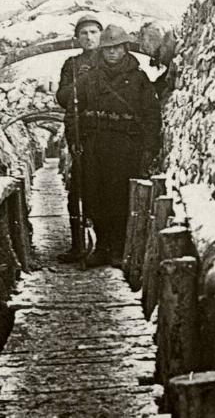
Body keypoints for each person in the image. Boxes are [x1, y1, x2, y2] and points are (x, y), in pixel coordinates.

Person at [76, 25, 162, 268]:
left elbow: (152, 115)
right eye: (107, 49)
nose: (112, 53)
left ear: (125, 49)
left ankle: (118, 248)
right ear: (102, 51)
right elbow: (71, 104)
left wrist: (149, 148)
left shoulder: (138, 78)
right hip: (97, 145)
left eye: (117, 48)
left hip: (126, 147)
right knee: (96, 196)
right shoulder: (91, 77)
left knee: (121, 198)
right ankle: (102, 246)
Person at [54, 14, 103, 263]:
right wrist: (80, 82)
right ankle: (77, 244)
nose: (89, 37)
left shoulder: (110, 60)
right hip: (80, 132)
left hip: (105, 133)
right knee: (77, 191)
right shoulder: (71, 64)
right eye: (84, 33)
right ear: (77, 38)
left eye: (94, 32)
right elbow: (62, 97)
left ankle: (105, 245)